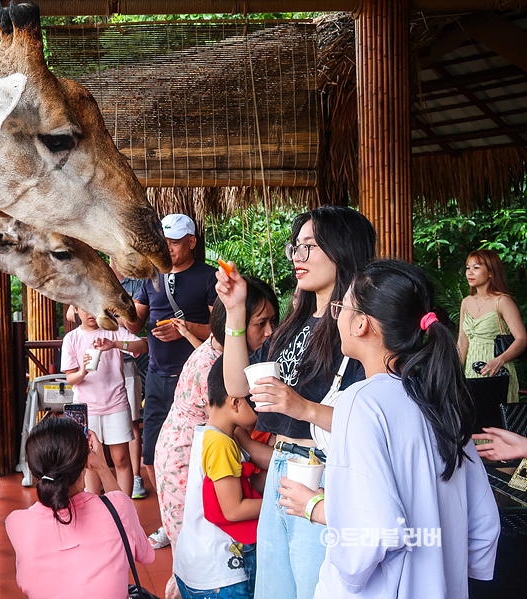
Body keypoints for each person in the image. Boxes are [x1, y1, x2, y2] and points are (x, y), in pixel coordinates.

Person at [277, 260, 500, 598]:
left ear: (363, 324)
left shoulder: (362, 402)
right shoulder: (443, 399)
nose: (336, 316)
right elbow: (484, 525)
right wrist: (445, 571)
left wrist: (316, 508)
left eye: (341, 308)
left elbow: (373, 532)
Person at [215, 205, 375, 599]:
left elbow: (374, 421)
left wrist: (301, 406)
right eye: (295, 248)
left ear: (343, 250)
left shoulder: (359, 328)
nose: (297, 258)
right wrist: (235, 310)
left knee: (312, 588)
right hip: (282, 471)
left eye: (309, 247)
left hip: (322, 473)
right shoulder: (293, 324)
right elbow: (238, 386)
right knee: (274, 589)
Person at [153, 278, 276, 578]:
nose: (269, 332)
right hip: (184, 460)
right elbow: (245, 435)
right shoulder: (221, 368)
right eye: (261, 323)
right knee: (193, 560)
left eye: (272, 321)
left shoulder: (221, 353)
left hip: (191, 450)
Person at [127, 213, 217, 541]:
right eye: (164, 242)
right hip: (157, 374)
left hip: (194, 382)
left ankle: (196, 519)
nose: (168, 248)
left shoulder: (209, 277)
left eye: (175, 242)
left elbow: (221, 331)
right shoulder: (150, 277)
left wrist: (188, 330)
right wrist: (118, 311)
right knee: (151, 453)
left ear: (192, 242)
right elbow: (136, 322)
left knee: (196, 455)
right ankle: (171, 517)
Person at [5, 417, 154, 599]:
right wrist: (102, 467)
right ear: (86, 462)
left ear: (30, 467)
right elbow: (146, 555)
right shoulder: (117, 507)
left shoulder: (17, 523)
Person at [172, 354, 263, 599]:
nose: (262, 409)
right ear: (235, 403)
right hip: (219, 573)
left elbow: (262, 457)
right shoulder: (221, 444)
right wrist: (280, 505)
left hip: (196, 563)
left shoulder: (214, 432)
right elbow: (233, 509)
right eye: (256, 401)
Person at [61, 307, 148, 495]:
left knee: (121, 459)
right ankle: (95, 508)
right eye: (84, 307)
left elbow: (143, 346)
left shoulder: (113, 330)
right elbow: (70, 379)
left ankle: (124, 509)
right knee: (90, 462)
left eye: (95, 307)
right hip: (85, 409)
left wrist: (115, 344)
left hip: (115, 404)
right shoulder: (72, 338)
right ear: (75, 308)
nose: (90, 313)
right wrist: (83, 371)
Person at [458, 249, 526, 404]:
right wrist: (454, 372)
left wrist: (500, 360)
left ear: (490, 272)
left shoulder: (502, 301)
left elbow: (521, 339)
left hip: (497, 371)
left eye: (476, 267)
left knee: (495, 422)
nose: (470, 272)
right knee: (474, 422)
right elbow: (462, 341)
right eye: (468, 267)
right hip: (471, 372)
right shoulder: (466, 302)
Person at [109, 263, 150, 500]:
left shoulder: (138, 283)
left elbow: (135, 323)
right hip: (101, 365)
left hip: (128, 360)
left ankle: (135, 476)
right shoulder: (96, 280)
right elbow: (73, 313)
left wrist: (117, 316)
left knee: (133, 420)